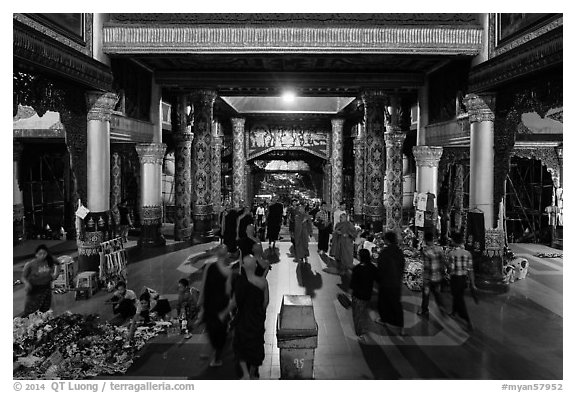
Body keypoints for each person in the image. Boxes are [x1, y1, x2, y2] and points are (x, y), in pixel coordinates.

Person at [231, 255, 269, 379]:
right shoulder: (263, 282)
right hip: (256, 319)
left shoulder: (240, 281)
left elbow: (235, 302)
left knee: (240, 345)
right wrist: (259, 313)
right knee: (256, 346)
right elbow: (265, 302)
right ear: (256, 266)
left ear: (243, 266)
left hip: (243, 318)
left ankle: (245, 374)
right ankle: (252, 372)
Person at [197, 245, 234, 367]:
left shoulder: (209, 267)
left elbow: (203, 286)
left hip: (209, 303)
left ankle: (210, 351)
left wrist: (200, 303)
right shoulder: (228, 271)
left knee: (211, 328)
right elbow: (228, 292)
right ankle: (216, 358)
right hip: (221, 305)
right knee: (220, 333)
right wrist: (228, 310)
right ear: (227, 254)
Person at [376, 231, 406, 335]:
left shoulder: (385, 252)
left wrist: (378, 279)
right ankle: (401, 327)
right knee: (396, 304)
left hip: (385, 282)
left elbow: (380, 267)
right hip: (396, 282)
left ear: (386, 240)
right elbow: (402, 266)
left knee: (383, 302)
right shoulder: (399, 252)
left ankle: (384, 319)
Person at [447, 232, 476, 332]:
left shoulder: (451, 254)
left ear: (454, 241)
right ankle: (453, 312)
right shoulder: (468, 254)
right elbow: (470, 270)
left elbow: (451, 269)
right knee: (458, 296)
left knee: (459, 300)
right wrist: (472, 284)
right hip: (463, 280)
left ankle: (468, 320)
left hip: (455, 279)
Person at [21, 244, 61, 317]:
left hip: (46, 288)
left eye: (44, 253)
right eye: (40, 254)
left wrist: (56, 274)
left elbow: (58, 263)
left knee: (45, 309)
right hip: (34, 290)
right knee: (31, 311)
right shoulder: (30, 264)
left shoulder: (50, 260)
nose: (42, 255)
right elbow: (23, 277)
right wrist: (27, 283)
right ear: (36, 254)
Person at [417, 231, 448, 317]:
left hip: (428, 278)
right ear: (433, 239)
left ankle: (424, 310)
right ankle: (442, 307)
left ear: (425, 240)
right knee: (437, 293)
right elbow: (443, 262)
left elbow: (427, 266)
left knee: (426, 294)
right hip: (438, 277)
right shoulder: (440, 249)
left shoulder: (425, 251)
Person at [350, 249, 378, 341]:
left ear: (360, 257)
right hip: (367, 295)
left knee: (357, 315)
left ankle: (359, 333)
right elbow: (378, 279)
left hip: (357, 296)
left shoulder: (357, 269)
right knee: (363, 313)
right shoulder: (372, 267)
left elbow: (352, 284)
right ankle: (362, 330)